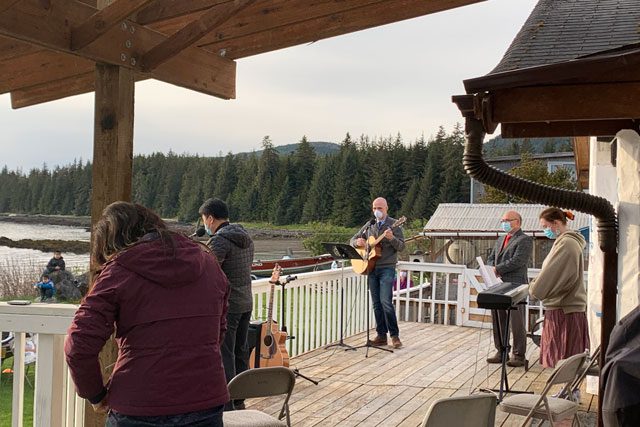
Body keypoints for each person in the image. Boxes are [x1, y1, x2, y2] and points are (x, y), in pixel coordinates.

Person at [64, 202, 229, 426]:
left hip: (139, 404)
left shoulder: (118, 271)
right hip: (205, 400)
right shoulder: (208, 263)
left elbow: (79, 343)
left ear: (115, 241)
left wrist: (95, 394)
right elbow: (219, 331)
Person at [199, 198, 254, 411]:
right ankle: (241, 398)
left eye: (204, 219)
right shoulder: (245, 237)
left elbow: (207, 271)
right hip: (246, 301)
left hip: (228, 306)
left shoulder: (220, 241)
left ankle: (228, 403)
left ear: (210, 218)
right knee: (241, 350)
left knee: (226, 353)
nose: (204, 224)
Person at [529, 207, 589, 369]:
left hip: (564, 309)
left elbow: (552, 276)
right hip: (567, 307)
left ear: (556, 223)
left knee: (563, 357)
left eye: (545, 226)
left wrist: (534, 288)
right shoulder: (567, 242)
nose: (544, 230)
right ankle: (569, 391)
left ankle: (569, 391)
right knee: (566, 356)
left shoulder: (567, 243)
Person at [350, 197, 405, 349]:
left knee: (386, 302)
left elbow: (401, 247)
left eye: (380, 208)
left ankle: (394, 336)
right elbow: (353, 239)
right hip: (371, 267)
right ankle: (381, 335)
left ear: (386, 208)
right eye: (375, 208)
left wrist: (392, 238)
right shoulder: (370, 225)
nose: (377, 211)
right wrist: (357, 243)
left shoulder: (395, 225)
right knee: (376, 304)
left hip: (387, 267)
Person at [485, 210, 533, 367]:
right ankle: (502, 351)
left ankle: (518, 355)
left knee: (516, 321)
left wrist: (497, 268)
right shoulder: (501, 238)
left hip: (515, 285)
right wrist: (491, 266)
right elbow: (491, 256)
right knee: (498, 319)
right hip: (498, 285)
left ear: (517, 222)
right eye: (502, 220)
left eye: (507, 220)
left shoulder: (524, 240)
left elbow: (518, 261)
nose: (504, 223)